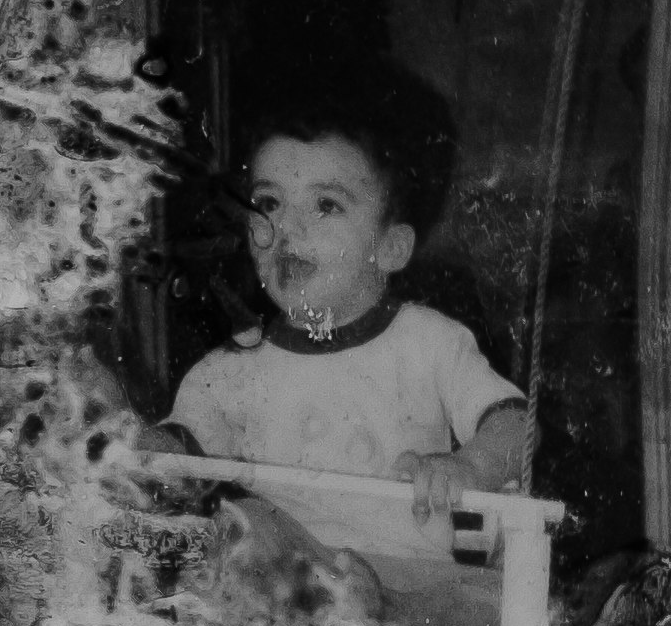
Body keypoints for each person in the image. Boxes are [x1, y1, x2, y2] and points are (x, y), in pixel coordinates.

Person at [157, 82, 531, 495]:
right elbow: (171, 459)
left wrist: (469, 467)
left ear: (390, 248)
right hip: (285, 561)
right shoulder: (230, 369)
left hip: (404, 561)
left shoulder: (429, 343)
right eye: (268, 203)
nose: (287, 228)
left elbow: (515, 426)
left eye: (326, 206)